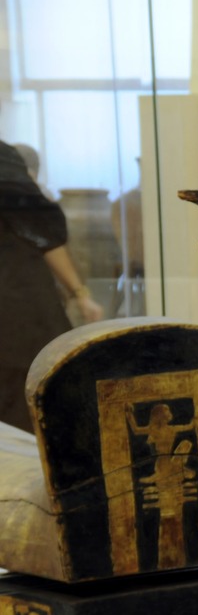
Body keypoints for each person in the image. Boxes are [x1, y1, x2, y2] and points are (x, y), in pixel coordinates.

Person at [1, 142, 103, 433]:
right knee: (38, 409)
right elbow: (42, 230)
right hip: (17, 314)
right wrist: (80, 294)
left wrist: (80, 294)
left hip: (17, 309)